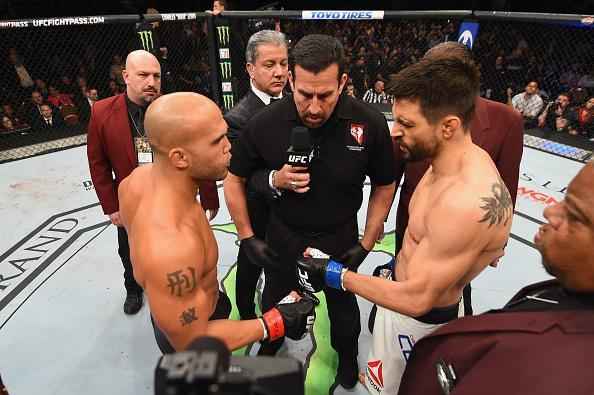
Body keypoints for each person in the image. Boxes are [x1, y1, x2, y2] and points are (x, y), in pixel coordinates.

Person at [295, 56, 513, 394]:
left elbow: (417, 300)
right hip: (397, 298)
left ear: (448, 126)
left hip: (417, 324)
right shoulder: (442, 162)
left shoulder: (467, 200)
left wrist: (334, 274)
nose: (395, 131)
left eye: (407, 124)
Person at [224, 34, 395, 388]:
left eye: (325, 95)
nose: (314, 107)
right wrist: (246, 237)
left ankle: (348, 358)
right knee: (274, 300)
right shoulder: (265, 122)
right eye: (305, 95)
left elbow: (384, 184)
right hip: (284, 233)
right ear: (291, 81)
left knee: (343, 312)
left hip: (339, 235)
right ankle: (271, 345)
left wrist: (365, 242)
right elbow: (235, 178)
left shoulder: (369, 123)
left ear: (343, 82)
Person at [118, 92, 315, 353]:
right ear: (180, 158)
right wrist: (274, 322)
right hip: (192, 332)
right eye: (216, 141)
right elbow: (192, 342)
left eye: (225, 135)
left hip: (185, 303)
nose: (228, 146)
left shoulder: (134, 182)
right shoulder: (171, 248)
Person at [398, 163, 594, 395]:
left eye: (575, 215)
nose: (549, 212)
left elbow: (418, 299)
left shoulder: (552, 370)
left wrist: (346, 278)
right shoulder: (568, 292)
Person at [390, 42, 524, 317]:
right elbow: (394, 167)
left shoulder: (506, 120)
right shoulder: (413, 115)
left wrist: (499, 239)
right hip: (413, 215)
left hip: (462, 227)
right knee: (404, 276)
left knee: (449, 289)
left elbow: (507, 185)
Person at [87, 50, 219, 315]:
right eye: (143, 75)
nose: (151, 82)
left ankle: (188, 289)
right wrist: (111, 207)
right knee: (129, 250)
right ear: (126, 76)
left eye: (156, 76)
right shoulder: (102, 111)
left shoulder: (175, 108)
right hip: (131, 202)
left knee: (185, 247)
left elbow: (197, 151)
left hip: (176, 197)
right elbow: (98, 162)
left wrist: (208, 195)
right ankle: (133, 288)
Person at [224, 30, 289, 321]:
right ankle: (249, 316)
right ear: (250, 69)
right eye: (270, 65)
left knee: (285, 272)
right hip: (259, 216)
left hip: (293, 215)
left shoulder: (299, 105)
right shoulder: (238, 119)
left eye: (284, 64)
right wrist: (274, 178)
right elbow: (241, 177)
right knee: (249, 268)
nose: (280, 72)